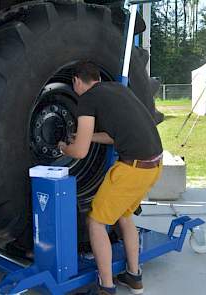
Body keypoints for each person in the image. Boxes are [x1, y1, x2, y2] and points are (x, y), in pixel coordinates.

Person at [58, 61, 163, 295]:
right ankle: (134, 277)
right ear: (98, 78)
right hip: (154, 166)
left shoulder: (86, 99)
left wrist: (64, 147)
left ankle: (106, 287)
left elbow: (80, 152)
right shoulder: (119, 89)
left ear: (76, 81)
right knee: (124, 216)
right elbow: (116, 135)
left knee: (96, 222)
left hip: (132, 170)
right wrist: (88, 136)